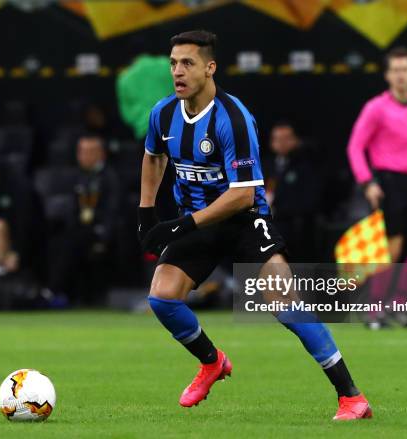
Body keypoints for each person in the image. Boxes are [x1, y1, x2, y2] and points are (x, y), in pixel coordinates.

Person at [138, 30, 371, 420]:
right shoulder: (162, 113)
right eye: (173, 64)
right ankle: (212, 363)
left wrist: (180, 225)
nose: (177, 71)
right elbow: (153, 158)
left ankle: (351, 397)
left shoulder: (234, 118)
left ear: (210, 68)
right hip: (197, 224)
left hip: (244, 220)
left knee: (285, 302)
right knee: (162, 298)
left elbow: (243, 195)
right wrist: (146, 215)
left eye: (188, 63)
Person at [347, 47, 407, 329]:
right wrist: (367, 182)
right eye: (395, 70)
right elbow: (355, 147)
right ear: (387, 75)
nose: (401, 75)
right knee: (392, 251)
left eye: (405, 69)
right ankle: (374, 310)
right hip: (388, 182)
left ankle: (400, 304)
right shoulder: (376, 108)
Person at [47, 134, 120, 305]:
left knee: (72, 242)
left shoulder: (110, 178)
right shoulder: (77, 177)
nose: (84, 156)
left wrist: (103, 236)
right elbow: (73, 209)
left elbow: (113, 210)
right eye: (81, 152)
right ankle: (59, 293)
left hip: (100, 231)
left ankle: (54, 291)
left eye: (89, 152)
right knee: (57, 240)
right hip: (79, 229)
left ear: (101, 154)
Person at [267, 121, 321, 261]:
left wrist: (278, 209)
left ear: (296, 140)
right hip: (266, 226)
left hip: (294, 229)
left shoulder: (306, 165)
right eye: (277, 139)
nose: (282, 143)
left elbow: (309, 201)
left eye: (286, 139)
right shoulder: (266, 166)